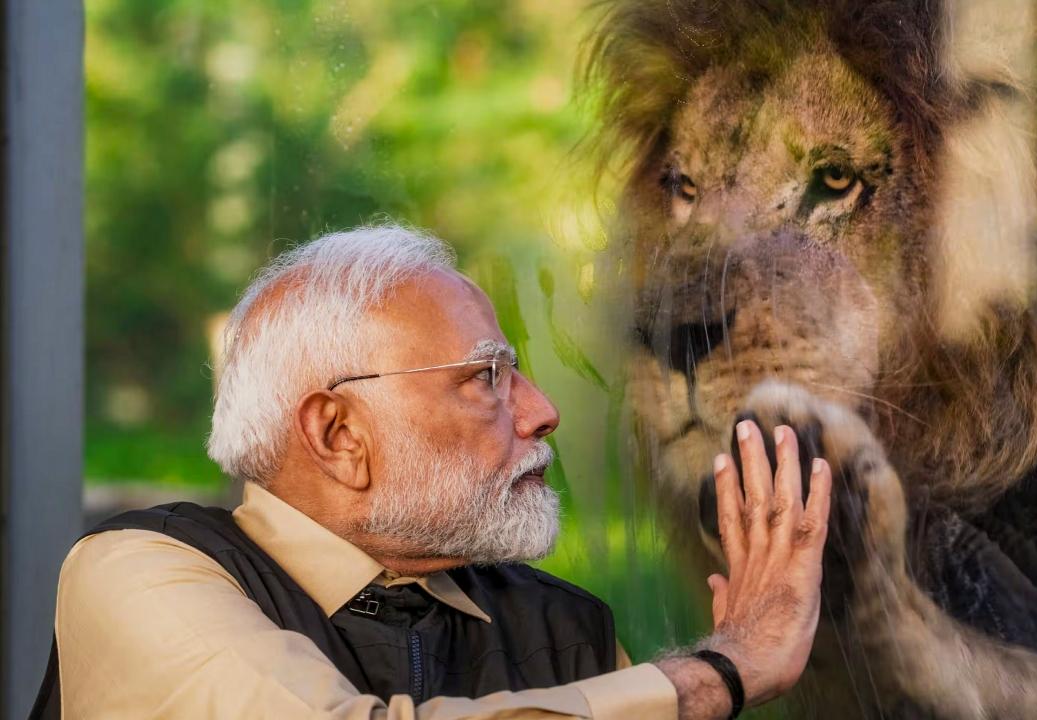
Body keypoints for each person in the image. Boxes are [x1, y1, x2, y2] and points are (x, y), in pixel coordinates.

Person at [34, 223, 832, 719]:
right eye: (485, 377)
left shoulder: (565, 628)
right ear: (339, 433)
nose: (541, 410)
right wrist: (721, 672)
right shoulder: (136, 570)